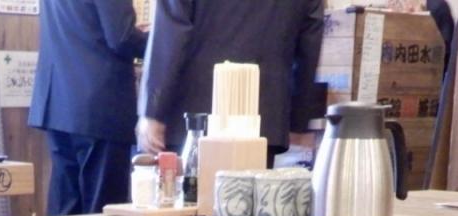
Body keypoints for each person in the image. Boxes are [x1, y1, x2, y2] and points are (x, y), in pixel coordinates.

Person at [136, 0, 325, 155]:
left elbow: (170, 32)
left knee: (189, 190)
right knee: (252, 191)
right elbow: (309, 47)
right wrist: (298, 121)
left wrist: (153, 110)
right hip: (264, 117)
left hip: (193, 117)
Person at [29, 0, 148, 215]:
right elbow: (121, 38)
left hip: (58, 100)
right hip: (100, 103)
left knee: (64, 209)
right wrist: (160, 40)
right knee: (103, 212)